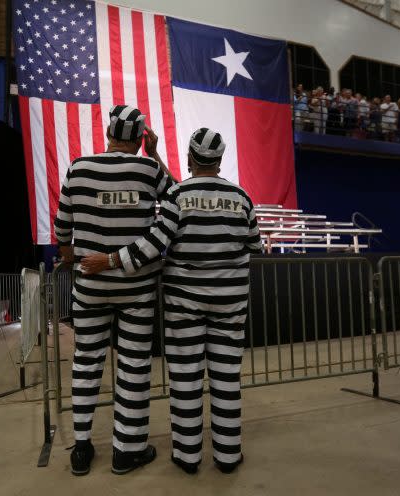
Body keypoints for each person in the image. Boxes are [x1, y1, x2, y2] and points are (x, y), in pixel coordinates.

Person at [81, 128, 262, 475]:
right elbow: (255, 246)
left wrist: (110, 260)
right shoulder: (242, 196)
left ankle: (188, 455)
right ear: (220, 160)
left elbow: (153, 245)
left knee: (185, 379)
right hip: (230, 304)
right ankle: (227, 455)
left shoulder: (178, 195)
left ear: (191, 158)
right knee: (226, 379)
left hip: (184, 305)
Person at [54, 105, 175, 476]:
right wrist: (154, 153)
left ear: (109, 134)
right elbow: (176, 204)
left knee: (85, 364)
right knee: (133, 365)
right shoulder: (149, 169)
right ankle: (128, 450)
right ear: (140, 138)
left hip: (88, 286)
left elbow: (61, 232)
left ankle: (82, 448)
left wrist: (84, 259)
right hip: (135, 287)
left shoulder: (78, 167)